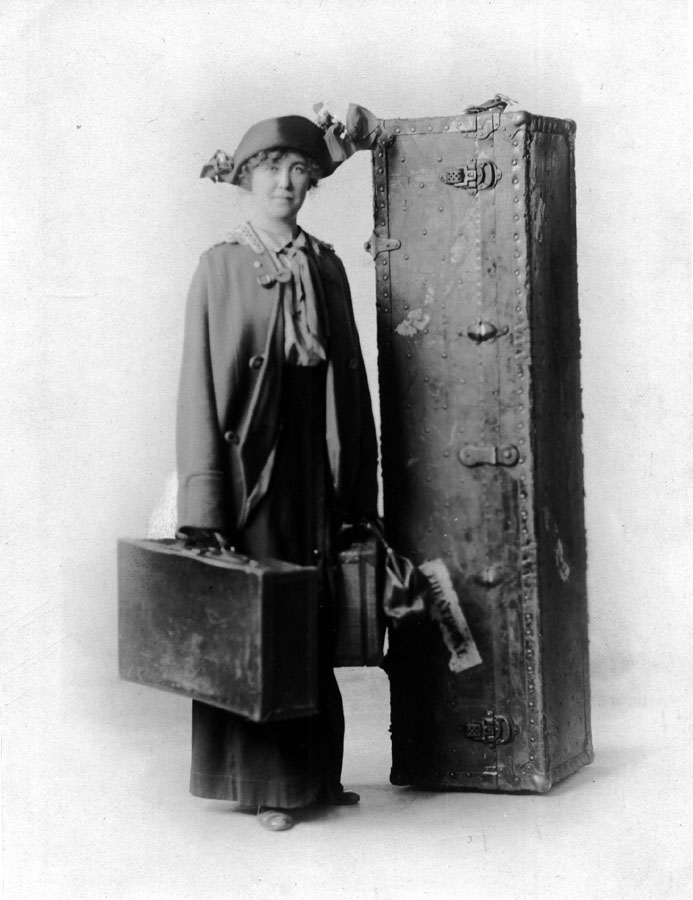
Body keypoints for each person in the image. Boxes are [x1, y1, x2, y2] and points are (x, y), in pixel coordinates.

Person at [175, 115, 379, 831]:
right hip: (249, 469)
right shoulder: (220, 264)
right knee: (261, 618)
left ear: (312, 181)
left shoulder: (326, 263)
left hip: (315, 458)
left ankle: (316, 775)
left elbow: (351, 381)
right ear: (245, 179)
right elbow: (198, 391)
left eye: (298, 170)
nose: (285, 183)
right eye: (269, 169)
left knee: (315, 610)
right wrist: (204, 502)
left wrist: (357, 485)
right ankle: (268, 787)